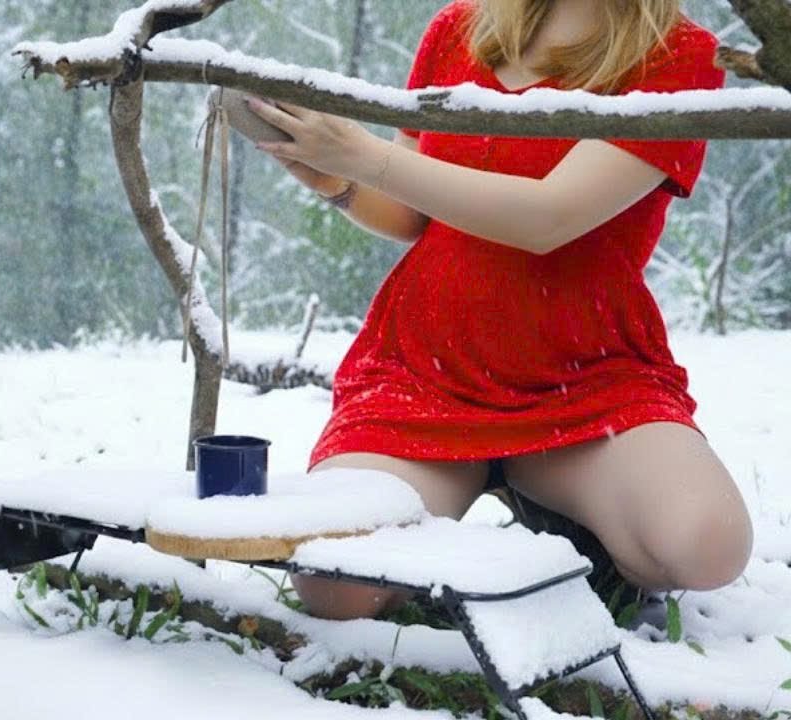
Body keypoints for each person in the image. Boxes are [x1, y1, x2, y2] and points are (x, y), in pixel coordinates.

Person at [245, 0, 754, 620]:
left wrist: (363, 156)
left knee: (707, 545)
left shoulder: (678, 53)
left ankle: (550, 490)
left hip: (585, 378)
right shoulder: (457, 28)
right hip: (430, 370)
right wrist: (331, 176)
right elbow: (410, 213)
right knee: (335, 584)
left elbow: (549, 218)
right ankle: (466, 488)